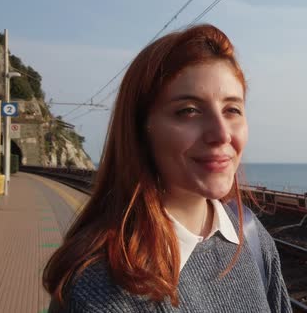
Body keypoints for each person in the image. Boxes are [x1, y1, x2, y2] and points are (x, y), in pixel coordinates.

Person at [43, 24, 292, 312]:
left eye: (232, 110)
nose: (222, 134)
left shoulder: (251, 236)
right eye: (189, 111)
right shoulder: (100, 291)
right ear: (141, 128)